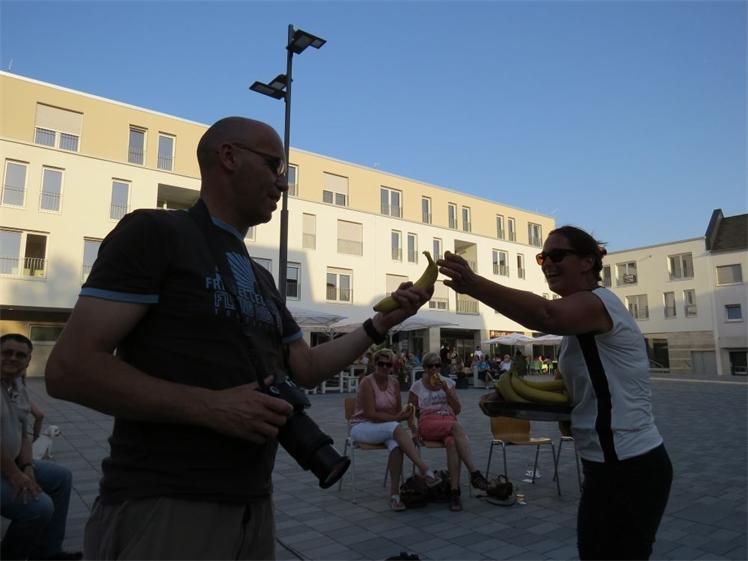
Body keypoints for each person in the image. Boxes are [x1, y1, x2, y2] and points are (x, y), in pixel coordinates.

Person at [45, 117, 433, 561]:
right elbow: (69, 369)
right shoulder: (154, 233)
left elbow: (305, 368)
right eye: (274, 166)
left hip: (253, 504)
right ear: (228, 157)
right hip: (166, 503)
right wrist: (211, 407)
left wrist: (381, 324)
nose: (283, 183)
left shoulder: (261, 277)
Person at [438, 225, 672, 560]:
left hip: (630, 464)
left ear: (588, 262)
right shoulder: (576, 329)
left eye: (558, 255)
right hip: (602, 464)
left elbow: (545, 314)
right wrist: (510, 400)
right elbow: (571, 397)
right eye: (542, 257)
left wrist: (474, 284)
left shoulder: (599, 304)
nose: (547, 263)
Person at [1, 334, 81, 561]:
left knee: (61, 476)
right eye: (6, 352)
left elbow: (23, 435)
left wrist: (27, 466)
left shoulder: (17, 387)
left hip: (12, 463)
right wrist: (16, 474)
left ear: (28, 361)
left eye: (20, 355)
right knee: (39, 508)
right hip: (5, 468)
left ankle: (48, 552)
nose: (13, 358)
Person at [349, 349, 441, 511]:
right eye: (381, 364)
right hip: (362, 425)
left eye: (388, 364)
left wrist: (412, 427)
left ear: (392, 366)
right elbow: (370, 414)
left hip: (386, 426)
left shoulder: (394, 383)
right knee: (395, 428)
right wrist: (397, 418)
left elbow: (398, 411)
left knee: (397, 445)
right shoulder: (366, 382)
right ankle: (425, 469)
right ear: (374, 364)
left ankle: (395, 495)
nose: (384, 367)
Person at [408, 352, 489, 511]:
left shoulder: (448, 383)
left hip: (448, 419)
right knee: (456, 427)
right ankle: (474, 472)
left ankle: (454, 492)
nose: (434, 369)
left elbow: (457, 409)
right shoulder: (417, 386)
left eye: (437, 365)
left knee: (452, 442)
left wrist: (447, 390)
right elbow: (410, 413)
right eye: (430, 366)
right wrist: (414, 430)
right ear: (424, 368)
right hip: (428, 422)